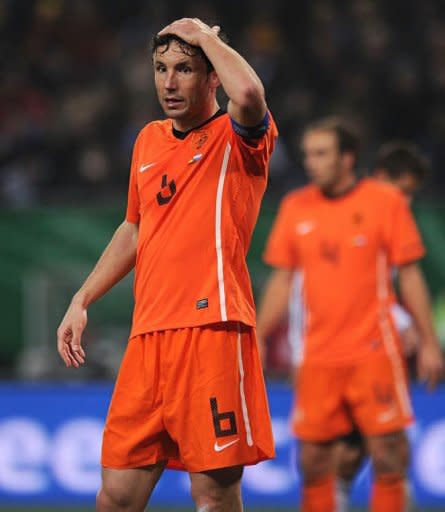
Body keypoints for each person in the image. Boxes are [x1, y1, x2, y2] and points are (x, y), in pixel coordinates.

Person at [56, 18, 277, 512]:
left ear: (211, 76)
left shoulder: (237, 140)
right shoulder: (148, 141)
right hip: (148, 336)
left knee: (214, 495)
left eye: (183, 69)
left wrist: (208, 39)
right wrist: (82, 297)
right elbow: (134, 228)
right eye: (160, 69)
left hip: (211, 329)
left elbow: (250, 94)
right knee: (115, 496)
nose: (168, 83)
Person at [259, 117, 443, 512]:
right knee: (314, 461)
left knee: (389, 453)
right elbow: (281, 280)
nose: (312, 162)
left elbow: (408, 276)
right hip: (318, 356)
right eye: (308, 154)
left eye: (321, 153)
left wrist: (428, 341)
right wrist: (258, 334)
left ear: (347, 158)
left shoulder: (385, 203)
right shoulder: (295, 208)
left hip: (374, 352)